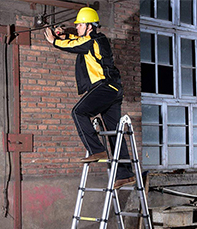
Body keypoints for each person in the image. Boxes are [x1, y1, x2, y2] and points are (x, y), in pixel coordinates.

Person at [44, 7, 135, 189]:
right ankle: (125, 175)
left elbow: (75, 45)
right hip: (112, 89)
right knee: (115, 133)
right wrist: (63, 35)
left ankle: (97, 150)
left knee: (78, 112)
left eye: (79, 25)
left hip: (105, 88)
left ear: (89, 27)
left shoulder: (95, 39)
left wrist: (55, 40)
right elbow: (76, 40)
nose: (76, 27)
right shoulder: (91, 40)